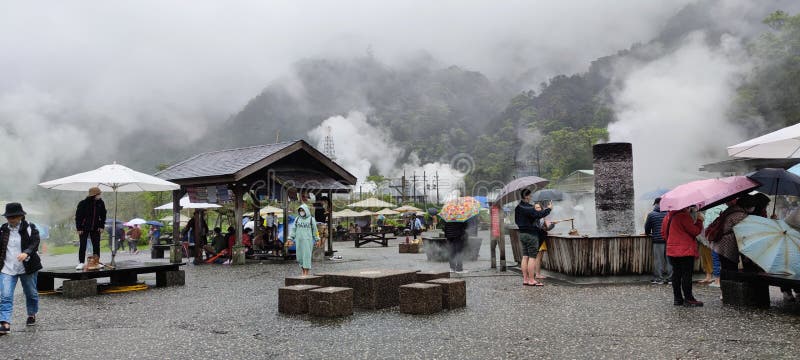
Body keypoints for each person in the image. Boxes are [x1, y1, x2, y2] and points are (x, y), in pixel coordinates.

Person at [0, 203, 42, 334]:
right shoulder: (2, 229)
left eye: (14, 216)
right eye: (9, 217)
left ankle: (31, 313)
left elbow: (35, 241)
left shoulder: (30, 227)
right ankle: (5, 322)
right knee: (5, 295)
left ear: (21, 216)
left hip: (27, 267)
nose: (11, 219)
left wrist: (27, 252)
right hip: (7, 268)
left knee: (31, 293)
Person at [662, 205, 704, 307]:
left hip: (672, 250)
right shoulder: (683, 216)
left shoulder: (667, 217)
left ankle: (677, 299)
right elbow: (695, 231)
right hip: (685, 250)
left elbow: (663, 233)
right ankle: (689, 299)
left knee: (676, 274)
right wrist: (699, 221)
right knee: (686, 275)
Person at [515, 188, 551, 287]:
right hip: (531, 234)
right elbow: (539, 214)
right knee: (532, 257)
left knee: (525, 256)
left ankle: (525, 279)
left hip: (522, 234)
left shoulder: (518, 207)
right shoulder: (529, 208)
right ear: (526, 196)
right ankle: (531, 280)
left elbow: (517, 221)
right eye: (530, 196)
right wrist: (549, 209)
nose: (531, 197)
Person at [74, 187, 107, 270]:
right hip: (84, 227)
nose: (100, 195)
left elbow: (103, 215)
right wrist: (79, 228)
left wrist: (101, 226)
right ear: (94, 195)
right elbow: (78, 217)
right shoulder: (83, 203)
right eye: (99, 194)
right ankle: (81, 262)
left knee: (96, 245)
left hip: (96, 228)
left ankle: (96, 262)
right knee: (83, 245)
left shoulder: (101, 203)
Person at [645, 197, 671, 284]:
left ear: (655, 204)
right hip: (668, 240)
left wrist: (648, 233)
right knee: (669, 260)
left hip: (657, 240)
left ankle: (658, 278)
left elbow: (647, 229)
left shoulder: (651, 214)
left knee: (658, 260)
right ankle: (671, 278)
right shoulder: (668, 214)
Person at [289, 204, 319, 276]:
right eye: (300, 210)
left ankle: (306, 273)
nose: (301, 212)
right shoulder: (297, 219)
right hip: (299, 241)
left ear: (306, 211)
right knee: (299, 257)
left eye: (303, 210)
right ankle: (303, 270)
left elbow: (315, 230)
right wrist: (290, 238)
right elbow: (293, 229)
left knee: (306, 256)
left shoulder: (311, 219)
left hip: (307, 241)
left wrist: (317, 239)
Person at [532, 202, 557, 282]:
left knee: (539, 257)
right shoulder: (535, 217)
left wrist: (553, 224)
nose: (537, 209)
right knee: (538, 258)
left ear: (541, 208)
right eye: (536, 207)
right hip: (537, 238)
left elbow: (547, 228)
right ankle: (537, 274)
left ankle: (536, 273)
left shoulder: (543, 217)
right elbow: (539, 228)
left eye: (539, 207)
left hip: (541, 238)